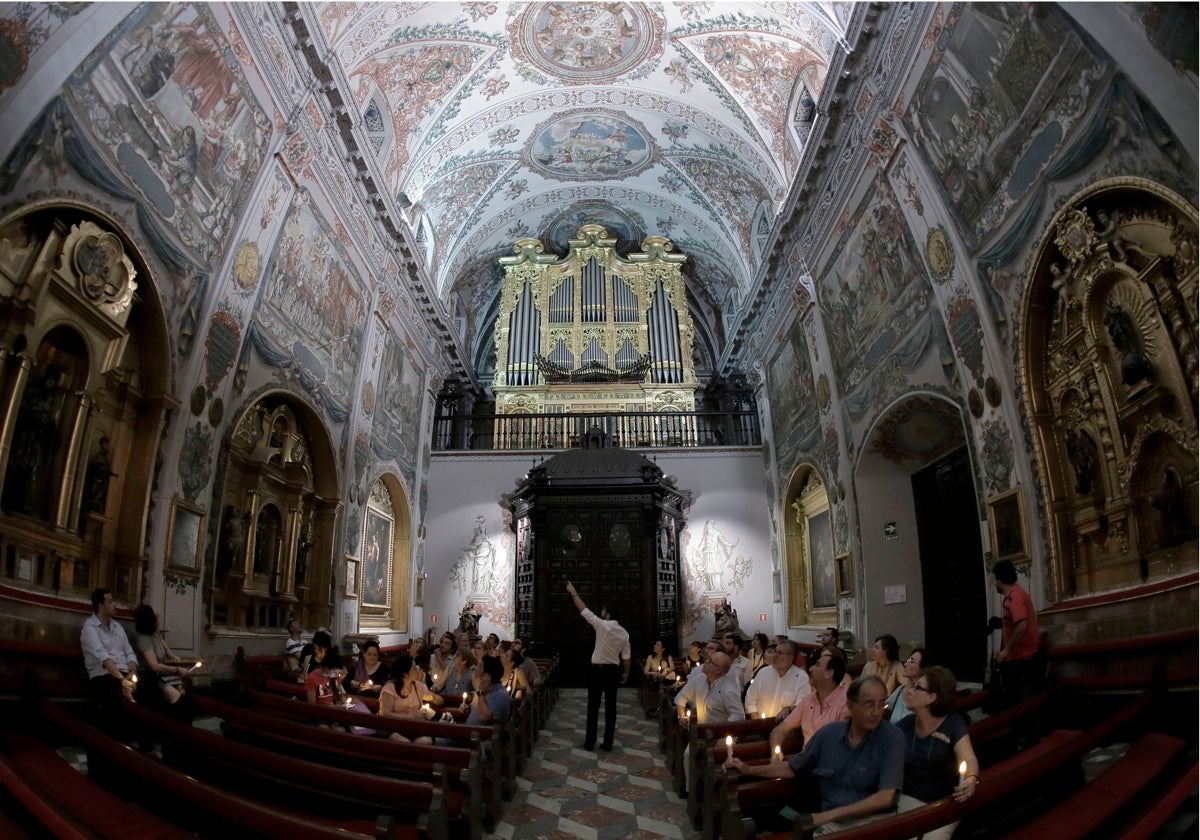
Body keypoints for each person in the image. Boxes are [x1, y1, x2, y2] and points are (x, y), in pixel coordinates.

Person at [733, 675, 904, 834]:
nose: (876, 712)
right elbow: (793, 767)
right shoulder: (829, 734)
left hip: (872, 823)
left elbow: (885, 798)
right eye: (868, 704)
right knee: (766, 815)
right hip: (830, 819)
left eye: (881, 704)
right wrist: (749, 770)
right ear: (851, 706)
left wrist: (825, 817)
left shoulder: (892, 737)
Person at [895, 667, 979, 839]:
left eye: (917, 687)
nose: (909, 691)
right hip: (909, 798)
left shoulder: (953, 723)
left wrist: (971, 778)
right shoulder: (906, 724)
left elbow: (968, 758)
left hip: (944, 801)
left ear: (931, 698)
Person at [566, 579, 630, 752]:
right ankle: (608, 743)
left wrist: (573, 592)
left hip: (597, 671)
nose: (601, 613)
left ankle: (589, 742)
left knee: (593, 707)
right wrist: (626, 673)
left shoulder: (601, 625)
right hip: (613, 672)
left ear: (608, 614)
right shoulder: (624, 633)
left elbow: (583, 609)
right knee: (611, 708)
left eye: (603, 610)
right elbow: (626, 657)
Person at [771, 645, 849, 750]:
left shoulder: (846, 704)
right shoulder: (808, 700)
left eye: (817, 665)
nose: (811, 669)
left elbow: (842, 746)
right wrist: (775, 755)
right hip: (805, 762)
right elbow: (779, 730)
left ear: (829, 673)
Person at [991, 559, 1042, 708]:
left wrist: (1006, 650)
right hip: (1025, 656)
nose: (995, 584)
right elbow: (1014, 622)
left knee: (1019, 701)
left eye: (995, 580)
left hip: (1023, 658)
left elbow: (1021, 626)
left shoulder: (1014, 598)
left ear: (1000, 579)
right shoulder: (1017, 592)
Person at [81, 587, 138, 705]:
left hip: (124, 674)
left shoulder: (117, 626)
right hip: (103, 675)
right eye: (110, 602)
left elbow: (129, 652)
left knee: (150, 682)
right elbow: (104, 659)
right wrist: (122, 680)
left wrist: (132, 676)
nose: (115, 605)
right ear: (101, 606)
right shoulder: (90, 628)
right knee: (114, 687)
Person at [133, 604, 194, 706]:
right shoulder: (143, 638)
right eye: (156, 616)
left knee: (186, 682)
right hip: (149, 678)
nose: (158, 618)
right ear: (149, 619)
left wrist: (173, 657)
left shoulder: (156, 633)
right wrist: (178, 669)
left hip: (160, 675)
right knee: (176, 696)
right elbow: (154, 666)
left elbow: (165, 647)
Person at [746, 639, 810, 720]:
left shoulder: (801, 677)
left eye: (780, 653)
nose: (775, 655)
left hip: (785, 728)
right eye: (775, 652)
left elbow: (802, 704)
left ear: (791, 657)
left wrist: (788, 710)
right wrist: (756, 720)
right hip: (759, 725)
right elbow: (750, 698)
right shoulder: (763, 672)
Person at [379, 652, 436, 743]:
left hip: (413, 727)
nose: (417, 669)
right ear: (405, 674)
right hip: (393, 728)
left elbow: (438, 699)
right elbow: (385, 714)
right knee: (405, 742)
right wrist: (411, 717)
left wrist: (433, 699)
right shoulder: (390, 688)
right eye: (414, 668)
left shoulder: (418, 686)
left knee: (425, 741)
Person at [885, 647, 930, 723]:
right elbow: (885, 708)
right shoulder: (900, 690)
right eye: (907, 660)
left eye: (911, 662)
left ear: (923, 668)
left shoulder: (926, 695)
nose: (905, 664)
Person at [466, 654, 510, 727]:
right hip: (468, 730)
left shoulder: (500, 694)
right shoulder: (483, 686)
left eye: (480, 666)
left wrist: (481, 693)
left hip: (480, 735)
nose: (476, 668)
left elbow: (483, 716)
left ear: (487, 674)